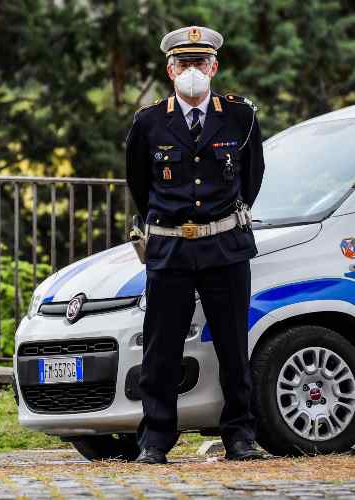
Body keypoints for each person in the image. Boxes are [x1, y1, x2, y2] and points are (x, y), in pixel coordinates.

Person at [125, 26, 266, 464]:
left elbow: (252, 178)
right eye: (183, 64)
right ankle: (155, 439)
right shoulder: (149, 121)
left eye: (199, 63)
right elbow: (139, 186)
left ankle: (240, 437)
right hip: (170, 250)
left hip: (225, 245)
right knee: (161, 348)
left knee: (231, 346)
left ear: (214, 67)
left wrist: (219, 218)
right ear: (170, 70)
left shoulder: (240, 116)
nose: (192, 71)